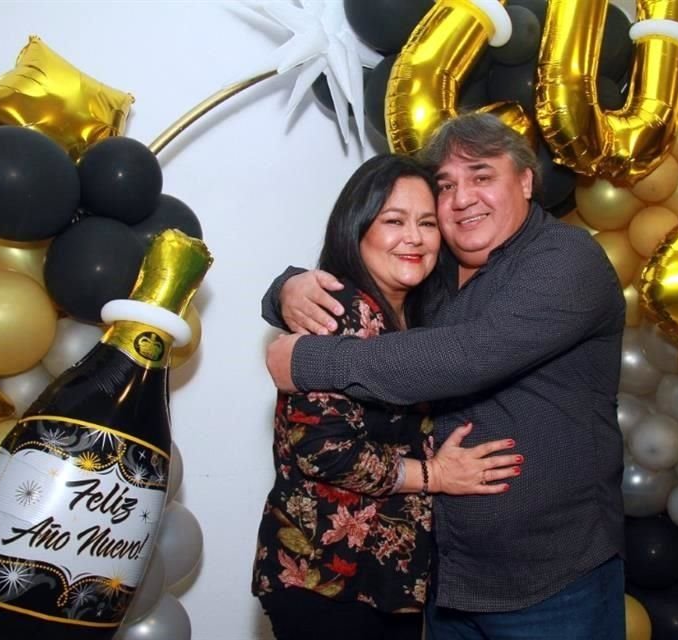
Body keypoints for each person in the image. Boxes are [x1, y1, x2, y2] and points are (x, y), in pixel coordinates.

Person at [265, 114, 627, 639]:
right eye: (447, 185)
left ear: (526, 181)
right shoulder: (434, 274)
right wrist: (286, 288)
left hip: (552, 581)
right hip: (443, 582)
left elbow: (469, 355)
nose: (461, 199)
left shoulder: (567, 260)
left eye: (481, 176)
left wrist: (308, 361)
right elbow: (362, 276)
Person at [252, 153, 523, 640]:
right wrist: (436, 475)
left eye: (427, 223)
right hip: (326, 579)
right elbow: (324, 450)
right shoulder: (339, 309)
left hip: (388, 581)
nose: (414, 238)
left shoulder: (419, 316)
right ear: (356, 229)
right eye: (394, 221)